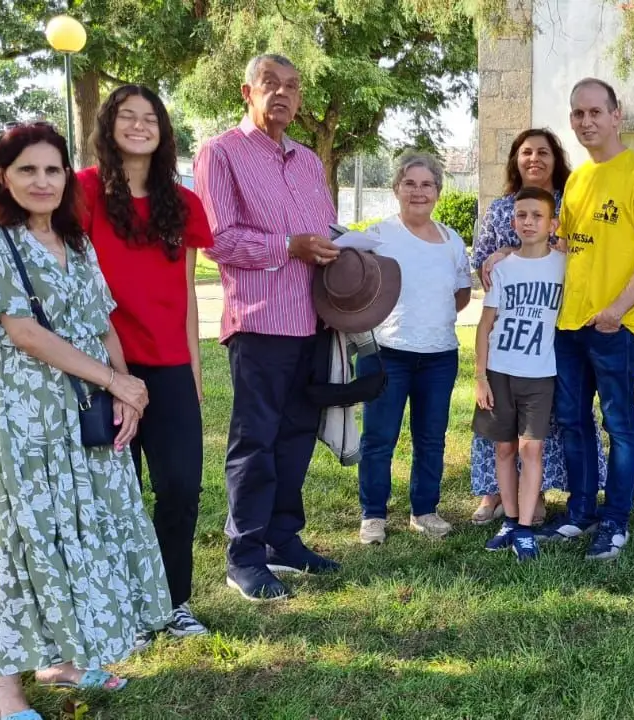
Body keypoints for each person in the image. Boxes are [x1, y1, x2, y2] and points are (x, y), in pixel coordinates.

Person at [0, 123, 171, 720]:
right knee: (33, 531)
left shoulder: (74, 241)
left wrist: (127, 391)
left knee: (88, 522)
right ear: (2, 175)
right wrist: (113, 382)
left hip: (88, 400)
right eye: (27, 169)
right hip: (29, 406)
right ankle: (5, 690)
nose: (42, 181)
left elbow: (103, 319)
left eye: (53, 169)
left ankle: (62, 661)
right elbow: (22, 332)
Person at [488, 78, 634, 560]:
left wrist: (618, 309)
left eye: (595, 112)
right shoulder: (579, 182)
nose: (586, 121)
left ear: (616, 115)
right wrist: (510, 249)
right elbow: (561, 244)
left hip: (614, 326)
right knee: (572, 420)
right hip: (567, 325)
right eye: (578, 114)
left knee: (619, 424)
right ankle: (581, 512)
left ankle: (616, 521)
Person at [197, 53, 342, 601]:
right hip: (261, 321)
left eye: (292, 86)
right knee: (256, 439)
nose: (282, 94)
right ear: (247, 91)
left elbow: (321, 227)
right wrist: (289, 247)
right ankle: (245, 555)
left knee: (298, 434)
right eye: (270, 84)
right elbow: (216, 240)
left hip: (316, 317)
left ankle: (284, 538)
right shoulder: (221, 153)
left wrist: (346, 243)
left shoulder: (307, 161)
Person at [80, 84, 213, 638]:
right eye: (127, 116)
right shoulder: (82, 192)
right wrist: (109, 377)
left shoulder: (181, 203)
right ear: (109, 126)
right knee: (117, 493)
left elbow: (184, 291)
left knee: (181, 487)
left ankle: (172, 600)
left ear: (163, 132)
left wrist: (194, 368)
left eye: (150, 118)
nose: (139, 125)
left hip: (169, 366)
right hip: (104, 367)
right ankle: (124, 607)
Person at [469, 129, 606, 525]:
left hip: (553, 330)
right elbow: (485, 262)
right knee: (500, 422)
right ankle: (493, 493)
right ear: (515, 158)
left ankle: (539, 491)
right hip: (507, 332)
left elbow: (582, 255)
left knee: (543, 420)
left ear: (555, 159)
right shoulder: (500, 209)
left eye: (543, 152)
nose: (534, 159)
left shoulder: (572, 203)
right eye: (526, 152)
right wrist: (508, 253)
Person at [354, 152, 473, 545]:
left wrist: (429, 317)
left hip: (439, 355)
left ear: (438, 191)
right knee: (379, 437)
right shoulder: (376, 236)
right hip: (387, 353)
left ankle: (424, 510)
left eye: (427, 185)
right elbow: (352, 284)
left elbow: (460, 294)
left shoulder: (452, 239)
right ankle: (373, 515)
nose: (418, 192)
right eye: (410, 184)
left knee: (431, 437)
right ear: (396, 189)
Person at [475, 186, 568, 562]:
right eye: (521, 216)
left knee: (533, 449)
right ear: (512, 221)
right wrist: (479, 376)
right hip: (499, 371)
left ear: (553, 223)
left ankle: (526, 528)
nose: (528, 222)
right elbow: (484, 326)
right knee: (503, 448)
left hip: (540, 374)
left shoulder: (564, 266)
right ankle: (510, 520)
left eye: (537, 216)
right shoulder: (504, 267)